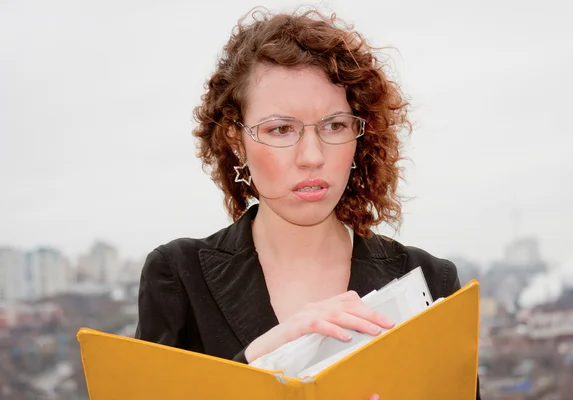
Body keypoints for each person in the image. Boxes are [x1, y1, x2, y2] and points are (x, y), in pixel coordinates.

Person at [135, 6, 481, 400]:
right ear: (235, 139)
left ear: (359, 134)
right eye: (281, 129)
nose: (312, 156)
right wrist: (259, 360)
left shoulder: (431, 284)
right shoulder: (177, 277)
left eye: (335, 125)